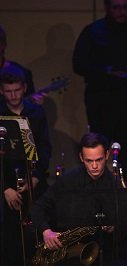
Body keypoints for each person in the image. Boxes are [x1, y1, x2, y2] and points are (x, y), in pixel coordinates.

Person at [31, 132, 127, 266]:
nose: (94, 166)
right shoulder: (68, 180)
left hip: (105, 252)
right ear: (81, 157)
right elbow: (39, 207)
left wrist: (114, 228)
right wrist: (46, 231)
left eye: (99, 160)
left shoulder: (115, 184)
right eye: (89, 161)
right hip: (70, 253)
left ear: (107, 155)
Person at [73, 0, 127, 181]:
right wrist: (107, 71)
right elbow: (79, 64)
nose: (121, 11)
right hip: (100, 99)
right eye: (116, 7)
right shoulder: (93, 32)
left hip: (126, 97)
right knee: (99, 146)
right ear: (107, 8)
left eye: (124, 7)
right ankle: (99, 188)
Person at [0, 64, 51, 265]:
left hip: (33, 179)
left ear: (24, 88)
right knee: (10, 238)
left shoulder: (36, 112)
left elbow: (45, 148)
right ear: (2, 91)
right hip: (6, 182)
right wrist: (5, 188)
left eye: (17, 90)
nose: (13, 96)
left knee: (38, 229)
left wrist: (36, 177)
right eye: (8, 91)